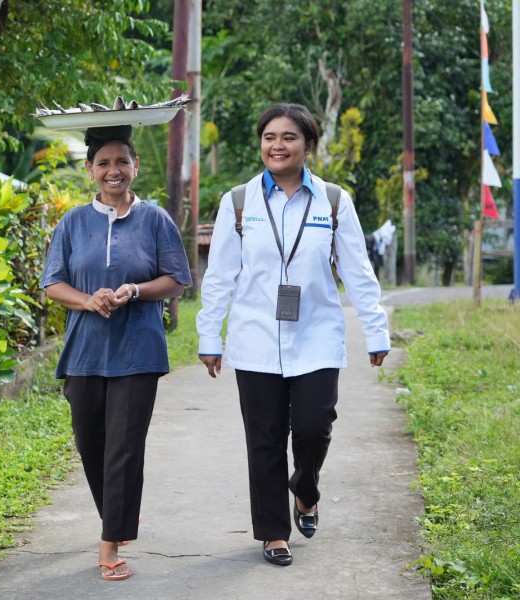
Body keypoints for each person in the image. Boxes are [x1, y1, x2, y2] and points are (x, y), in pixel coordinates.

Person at [196, 103, 390, 566]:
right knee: (263, 438)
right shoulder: (239, 202)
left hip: (317, 336)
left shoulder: (334, 202)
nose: (277, 146)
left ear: (308, 145)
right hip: (255, 338)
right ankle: (272, 533)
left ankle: (305, 491)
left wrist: (376, 328)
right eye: (269, 137)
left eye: (288, 137)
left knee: (312, 429)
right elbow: (220, 275)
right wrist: (210, 337)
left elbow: (358, 271)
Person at [41, 124, 192, 581]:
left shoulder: (155, 219)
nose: (113, 170)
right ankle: (119, 513)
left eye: (121, 161)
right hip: (85, 352)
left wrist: (134, 289)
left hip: (138, 352)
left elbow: (176, 279)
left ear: (135, 166)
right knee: (91, 445)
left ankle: (110, 543)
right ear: (89, 170)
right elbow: (52, 283)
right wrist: (88, 300)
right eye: (103, 163)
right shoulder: (72, 222)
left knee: (124, 447)